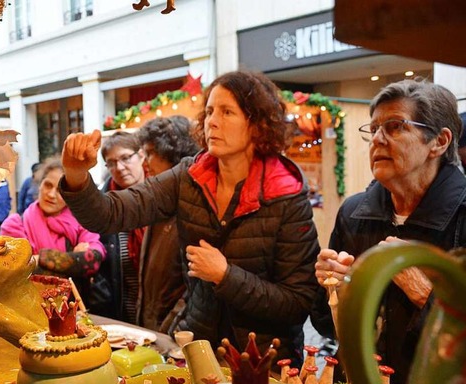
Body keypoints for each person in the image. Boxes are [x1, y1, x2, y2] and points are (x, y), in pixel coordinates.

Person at [59, 70, 320, 366]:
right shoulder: (189, 176)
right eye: (209, 111)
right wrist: (76, 175)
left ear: (257, 124)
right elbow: (110, 214)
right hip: (201, 350)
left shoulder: (286, 194)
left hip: (267, 362)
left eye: (227, 112)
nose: (212, 121)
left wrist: (226, 275)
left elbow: (297, 303)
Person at [311, 78, 466, 384]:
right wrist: (333, 290)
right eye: (374, 129)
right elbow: (325, 324)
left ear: (439, 141)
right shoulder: (354, 213)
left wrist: (427, 295)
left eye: (395, 127)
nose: (377, 139)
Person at [0, 155, 106, 288]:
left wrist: (39, 259)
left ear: (70, 195)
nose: (51, 194)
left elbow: (93, 261)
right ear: (39, 185)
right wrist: (74, 259)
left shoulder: (82, 223)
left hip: (74, 306)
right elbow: (17, 272)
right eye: (48, 185)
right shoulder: (14, 225)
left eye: (60, 191)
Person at [135, 115, 200, 331]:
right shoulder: (160, 205)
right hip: (153, 331)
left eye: (151, 153)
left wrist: (170, 329)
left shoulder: (192, 209)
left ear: (173, 155)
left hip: (175, 336)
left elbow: (194, 288)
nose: (145, 163)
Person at [89, 131, 148, 323]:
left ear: (141, 155)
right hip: (119, 306)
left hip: (158, 304)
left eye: (125, 158)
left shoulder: (161, 198)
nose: (120, 167)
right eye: (112, 162)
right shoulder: (104, 206)